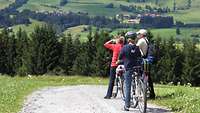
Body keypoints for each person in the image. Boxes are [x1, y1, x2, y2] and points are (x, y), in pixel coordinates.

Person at [117, 32, 141, 111]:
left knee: (128, 86)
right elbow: (139, 56)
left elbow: (120, 56)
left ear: (128, 39)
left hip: (129, 68)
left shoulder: (125, 47)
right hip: (137, 67)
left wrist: (119, 61)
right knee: (137, 79)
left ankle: (127, 106)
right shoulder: (137, 47)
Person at [136, 29, 156, 99]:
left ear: (142, 34)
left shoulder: (141, 41)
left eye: (138, 34)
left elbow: (136, 49)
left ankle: (141, 92)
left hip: (142, 60)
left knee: (140, 75)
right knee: (148, 77)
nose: (137, 35)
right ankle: (152, 93)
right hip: (147, 60)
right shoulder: (146, 40)